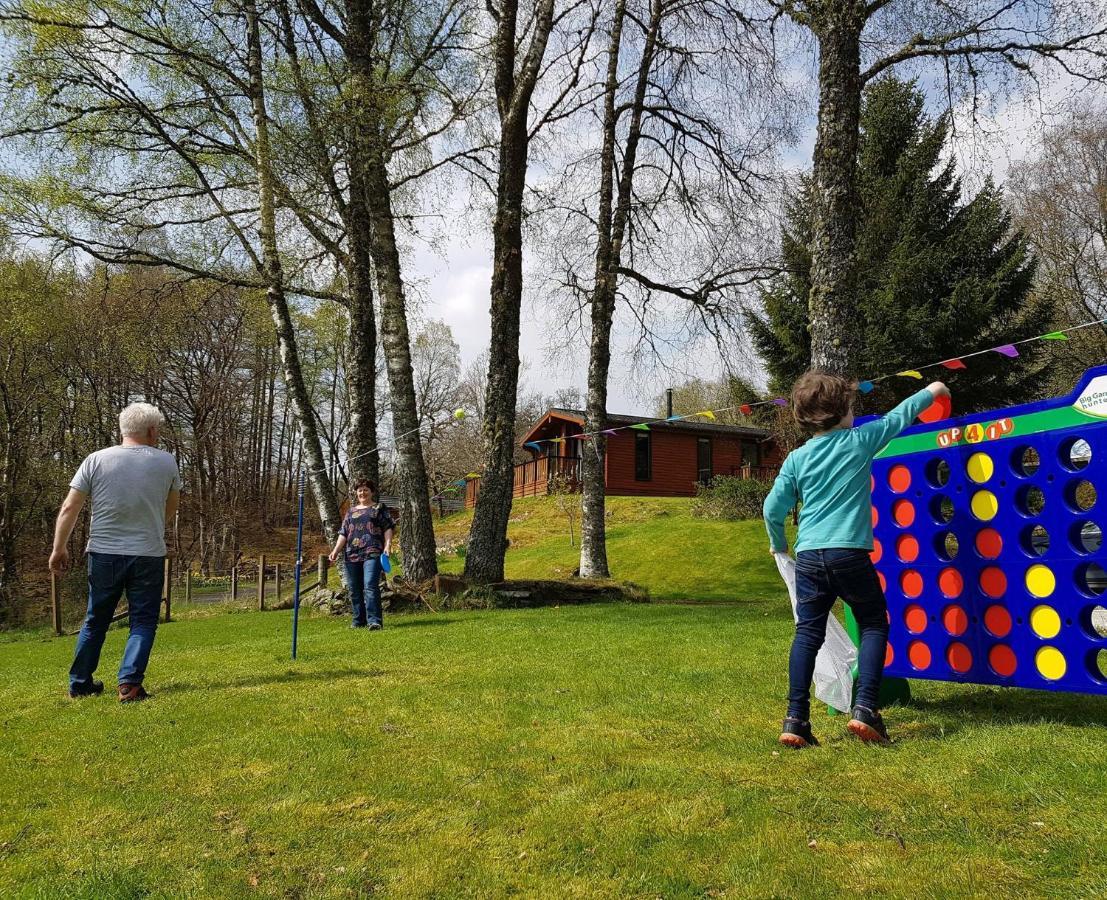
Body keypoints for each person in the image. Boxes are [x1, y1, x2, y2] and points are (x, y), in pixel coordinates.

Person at [764, 372, 949, 747]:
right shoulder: (859, 441)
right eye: (851, 405)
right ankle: (865, 709)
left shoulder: (797, 459)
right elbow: (899, 417)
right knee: (873, 624)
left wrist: (779, 544)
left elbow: (772, 508)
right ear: (843, 411)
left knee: (807, 634)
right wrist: (933, 391)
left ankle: (795, 719)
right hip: (849, 554)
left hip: (811, 556)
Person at [50, 402, 181, 702]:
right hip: (148, 552)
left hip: (104, 552)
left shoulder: (95, 460)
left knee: (95, 619)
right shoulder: (166, 462)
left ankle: (80, 683)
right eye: (157, 429)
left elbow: (70, 507)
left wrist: (59, 547)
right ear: (150, 430)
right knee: (143, 620)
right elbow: (170, 509)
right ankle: (130, 684)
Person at [329, 479, 395, 630]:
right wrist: (335, 551)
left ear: (372, 492)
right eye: (360, 490)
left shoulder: (379, 507)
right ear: (356, 492)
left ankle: (374, 621)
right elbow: (343, 533)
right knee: (354, 588)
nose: (362, 492)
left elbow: (388, 528)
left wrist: (388, 545)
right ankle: (359, 620)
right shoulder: (350, 512)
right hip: (351, 554)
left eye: (366, 490)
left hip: (372, 551)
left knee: (370, 585)